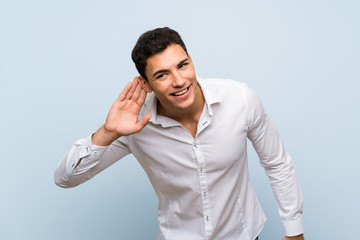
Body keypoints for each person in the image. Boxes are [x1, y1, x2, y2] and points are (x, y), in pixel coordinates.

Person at [55, 27, 304, 240]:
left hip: (243, 234)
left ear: (191, 60)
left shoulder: (240, 99)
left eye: (183, 65)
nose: (179, 81)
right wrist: (108, 132)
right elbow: (66, 179)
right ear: (146, 84)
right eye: (162, 75)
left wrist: (294, 231)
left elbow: (277, 164)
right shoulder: (133, 124)